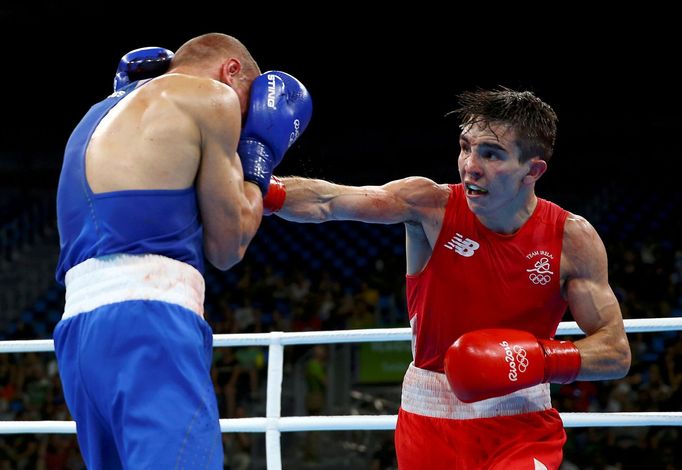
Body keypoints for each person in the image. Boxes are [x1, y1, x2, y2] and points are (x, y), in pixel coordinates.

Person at [266, 87, 631, 469]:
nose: (470, 165)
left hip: (521, 424)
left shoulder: (572, 238)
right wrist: (260, 185)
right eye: (465, 147)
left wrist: (538, 359)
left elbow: (615, 351)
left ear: (533, 170)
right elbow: (329, 201)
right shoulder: (430, 206)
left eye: (490, 154)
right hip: (428, 420)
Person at [52, 33, 312, 469]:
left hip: (78, 336)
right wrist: (258, 157)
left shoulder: (97, 113)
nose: (243, 121)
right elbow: (228, 244)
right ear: (231, 72)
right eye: (247, 107)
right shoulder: (212, 96)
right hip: (149, 324)